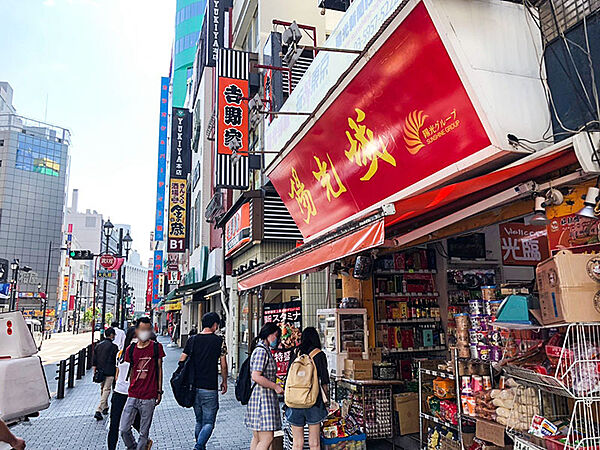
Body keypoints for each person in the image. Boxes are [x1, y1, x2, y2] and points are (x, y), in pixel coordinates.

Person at [179, 312, 228, 450]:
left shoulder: (192, 340)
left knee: (199, 420)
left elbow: (181, 360)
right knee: (209, 422)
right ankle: (199, 446)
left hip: (193, 386)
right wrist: (224, 381)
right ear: (214, 325)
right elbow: (223, 365)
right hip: (210, 387)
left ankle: (201, 446)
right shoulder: (219, 341)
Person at [119, 317, 165, 450]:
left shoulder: (156, 347)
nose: (145, 332)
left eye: (148, 330)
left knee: (144, 433)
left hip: (149, 396)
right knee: (124, 429)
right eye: (143, 329)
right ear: (137, 330)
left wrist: (159, 391)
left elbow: (159, 369)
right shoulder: (131, 349)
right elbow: (131, 370)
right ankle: (133, 447)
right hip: (133, 393)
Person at [285, 327, 330, 450]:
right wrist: (327, 401)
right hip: (313, 401)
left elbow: (288, 376)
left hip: (294, 401)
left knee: (297, 442)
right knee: (314, 443)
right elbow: (324, 380)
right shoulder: (318, 354)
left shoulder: (295, 352)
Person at [245, 322, 283, 450]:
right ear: (269, 335)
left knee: (257, 438)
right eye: (276, 335)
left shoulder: (261, 349)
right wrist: (275, 386)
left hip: (258, 398)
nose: (276, 339)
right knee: (267, 438)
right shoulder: (262, 351)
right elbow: (256, 376)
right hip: (263, 399)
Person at [107, 326, 141, 450]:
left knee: (116, 424)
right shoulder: (135, 352)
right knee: (135, 423)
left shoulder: (120, 353)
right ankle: (140, 444)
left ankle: (134, 445)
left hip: (120, 392)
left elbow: (117, 375)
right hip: (129, 393)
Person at [93, 327, 118, 420]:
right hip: (110, 371)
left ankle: (105, 407)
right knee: (106, 390)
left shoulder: (98, 346)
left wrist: (94, 372)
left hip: (100, 371)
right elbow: (116, 361)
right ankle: (99, 410)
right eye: (114, 334)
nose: (114, 336)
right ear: (111, 335)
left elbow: (94, 361)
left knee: (103, 389)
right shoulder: (114, 347)